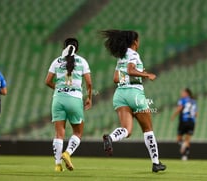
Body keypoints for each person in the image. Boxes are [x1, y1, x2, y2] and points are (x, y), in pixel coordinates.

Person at [100, 30, 166, 172]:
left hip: (119, 95)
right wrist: (146, 74)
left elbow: (116, 79)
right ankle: (156, 163)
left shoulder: (121, 57)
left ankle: (111, 138)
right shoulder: (133, 54)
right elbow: (130, 70)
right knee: (148, 129)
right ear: (135, 41)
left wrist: (139, 73)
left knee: (127, 130)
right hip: (134, 94)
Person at [45, 38, 92, 172]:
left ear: (64, 47)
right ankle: (68, 153)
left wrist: (59, 88)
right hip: (75, 99)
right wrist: (89, 98)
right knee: (78, 132)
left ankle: (57, 164)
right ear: (77, 49)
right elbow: (89, 83)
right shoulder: (82, 61)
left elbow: (47, 81)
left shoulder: (57, 61)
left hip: (58, 99)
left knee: (59, 134)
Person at [171, 88, 197, 160]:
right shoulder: (193, 101)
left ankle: (183, 146)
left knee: (179, 139)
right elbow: (196, 113)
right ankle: (185, 155)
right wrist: (195, 122)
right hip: (192, 122)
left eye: (183, 92)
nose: (181, 94)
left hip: (184, 121)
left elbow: (180, 108)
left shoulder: (182, 100)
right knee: (187, 140)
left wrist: (173, 115)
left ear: (187, 93)